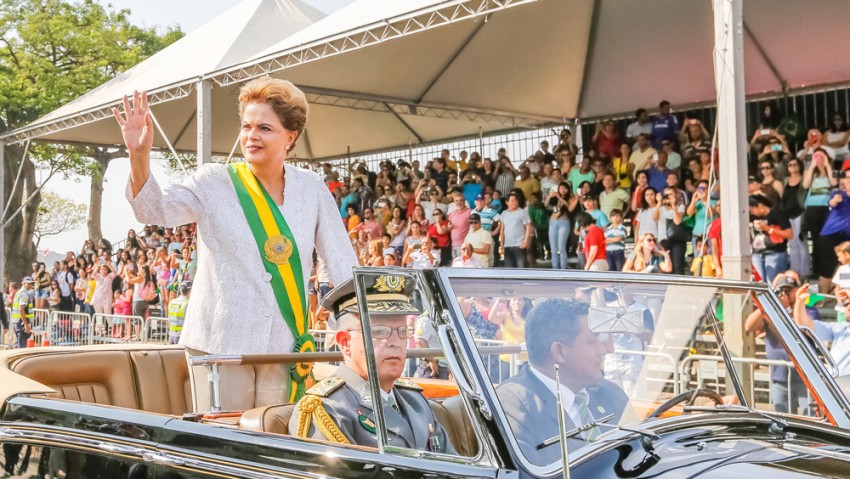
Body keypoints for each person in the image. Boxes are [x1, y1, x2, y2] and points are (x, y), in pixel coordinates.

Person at [114, 79, 357, 412]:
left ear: (290, 137)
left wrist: (350, 324)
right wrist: (138, 156)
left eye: (265, 128)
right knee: (224, 442)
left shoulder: (311, 188)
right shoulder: (214, 180)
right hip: (220, 346)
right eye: (246, 126)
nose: (251, 135)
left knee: (277, 436)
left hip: (283, 347)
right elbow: (155, 209)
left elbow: (342, 262)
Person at [289, 275, 453, 453]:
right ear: (345, 342)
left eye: (402, 331)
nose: (395, 342)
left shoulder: (415, 400)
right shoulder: (329, 410)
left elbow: (456, 466)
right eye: (380, 332)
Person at [496, 298, 629, 466]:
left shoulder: (612, 393)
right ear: (559, 351)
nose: (604, 350)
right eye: (593, 341)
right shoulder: (511, 408)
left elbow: (643, 456)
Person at [749, 194, 792, 286]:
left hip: (774, 252)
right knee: (759, 284)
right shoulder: (753, 217)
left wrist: (768, 229)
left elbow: (789, 234)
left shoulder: (777, 214)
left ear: (760, 206)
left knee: (773, 283)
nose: (752, 213)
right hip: (757, 253)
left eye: (752, 210)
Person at [499, 192, 532, 268]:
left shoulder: (522, 212)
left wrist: (526, 241)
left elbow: (528, 226)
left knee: (521, 269)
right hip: (507, 245)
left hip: (519, 245)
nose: (515, 202)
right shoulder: (504, 213)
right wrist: (501, 244)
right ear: (507, 202)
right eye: (512, 200)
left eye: (516, 200)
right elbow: (502, 230)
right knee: (509, 270)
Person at [11, 277, 36, 349]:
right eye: (28, 284)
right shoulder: (24, 294)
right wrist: (25, 324)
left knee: (18, 343)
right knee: (21, 346)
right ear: (24, 283)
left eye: (31, 284)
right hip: (21, 321)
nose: (30, 285)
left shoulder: (19, 292)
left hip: (17, 320)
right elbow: (21, 309)